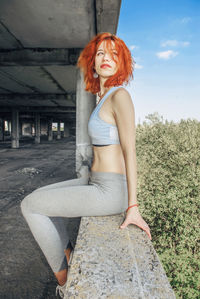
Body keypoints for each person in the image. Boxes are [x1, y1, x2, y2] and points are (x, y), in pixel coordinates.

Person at [20, 32, 151, 298]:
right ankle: (70, 254)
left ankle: (66, 282)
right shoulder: (101, 97)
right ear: (93, 62)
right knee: (39, 198)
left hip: (111, 191)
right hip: (95, 182)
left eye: (114, 54)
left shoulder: (120, 96)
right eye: (101, 53)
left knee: (29, 207)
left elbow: (130, 150)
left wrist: (133, 207)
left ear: (121, 62)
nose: (106, 58)